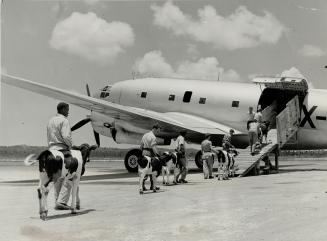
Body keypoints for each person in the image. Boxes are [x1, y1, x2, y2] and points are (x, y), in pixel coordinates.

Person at [47, 102, 73, 210]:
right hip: (62, 149)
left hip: (51, 150)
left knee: (56, 177)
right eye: (67, 109)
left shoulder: (50, 120)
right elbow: (66, 136)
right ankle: (62, 202)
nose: (68, 112)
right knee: (72, 174)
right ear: (62, 110)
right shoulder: (64, 121)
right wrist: (70, 145)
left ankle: (57, 201)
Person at [140, 123, 161, 191]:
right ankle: (152, 186)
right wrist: (158, 155)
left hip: (143, 153)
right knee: (153, 170)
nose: (159, 131)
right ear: (155, 129)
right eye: (158, 129)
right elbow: (153, 147)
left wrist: (142, 154)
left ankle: (142, 186)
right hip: (150, 153)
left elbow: (141, 146)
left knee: (144, 170)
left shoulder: (145, 135)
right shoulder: (153, 137)